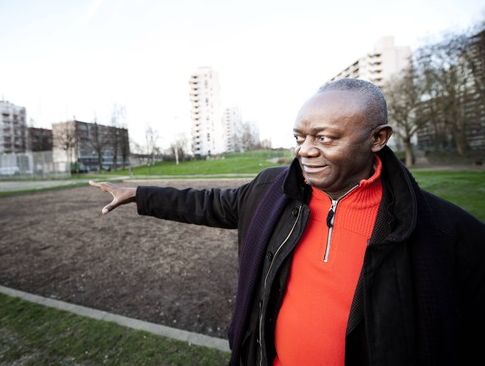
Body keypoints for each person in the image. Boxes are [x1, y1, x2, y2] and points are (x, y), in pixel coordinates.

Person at [90, 78, 485, 365]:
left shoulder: (446, 231)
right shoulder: (271, 191)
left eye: (325, 138)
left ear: (377, 138)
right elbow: (212, 204)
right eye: (299, 138)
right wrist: (141, 194)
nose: (305, 151)